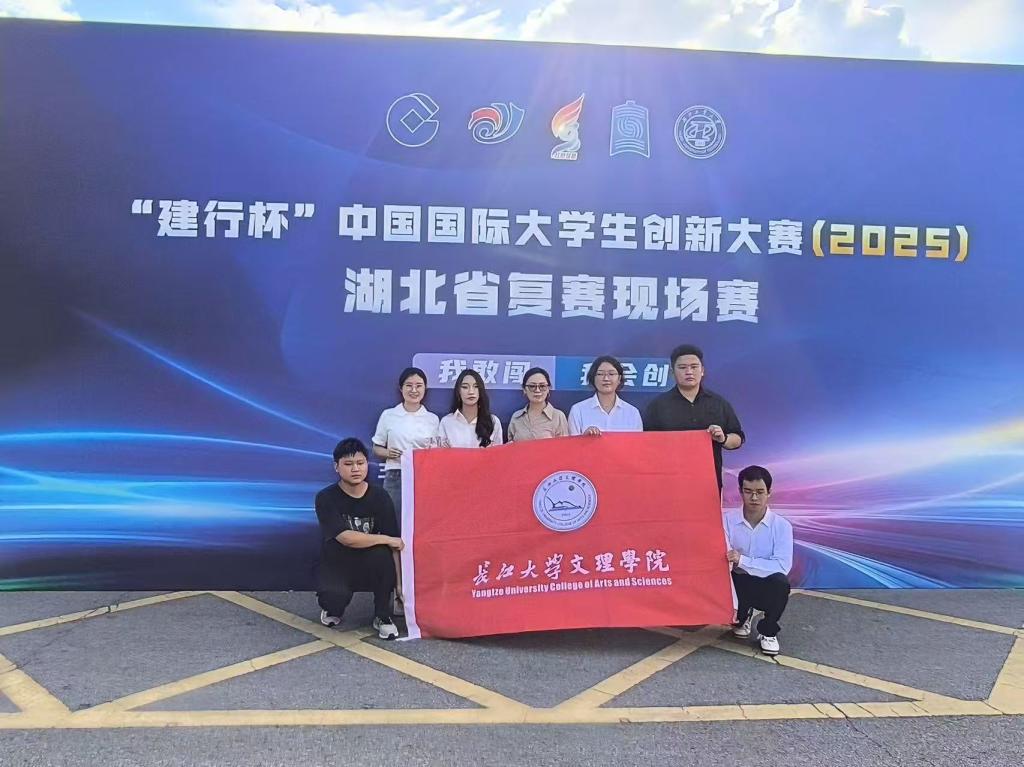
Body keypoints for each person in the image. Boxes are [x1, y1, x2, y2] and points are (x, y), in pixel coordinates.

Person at [314, 438, 403, 640]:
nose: (355, 469)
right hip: (337, 562)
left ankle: (382, 616)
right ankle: (332, 608)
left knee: (383, 556)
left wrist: (399, 584)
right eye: (348, 464)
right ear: (336, 467)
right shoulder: (326, 498)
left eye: (360, 463)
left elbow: (395, 545)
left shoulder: (380, 497)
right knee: (333, 599)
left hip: (369, 563)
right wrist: (385, 539)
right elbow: (346, 538)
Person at [643, 344, 744, 491]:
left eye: (694, 367)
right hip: (669, 483)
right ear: (672, 372)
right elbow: (646, 445)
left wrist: (723, 439)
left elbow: (738, 438)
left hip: (708, 483)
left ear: (702, 370)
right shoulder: (658, 406)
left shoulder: (718, 403)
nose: (689, 372)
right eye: (682, 367)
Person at [725, 465, 793, 656]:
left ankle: (768, 631)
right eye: (748, 491)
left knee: (780, 583)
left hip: (765, 583)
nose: (754, 498)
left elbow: (782, 566)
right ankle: (743, 615)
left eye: (760, 492)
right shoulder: (726, 520)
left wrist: (742, 560)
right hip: (736, 582)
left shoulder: (782, 526)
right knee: (723, 575)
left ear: (769, 492)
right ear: (740, 491)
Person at [371, 366, 439, 532]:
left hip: (423, 477)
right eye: (409, 385)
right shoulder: (388, 415)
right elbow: (376, 447)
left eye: (419, 386)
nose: (414, 390)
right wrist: (388, 453)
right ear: (401, 388)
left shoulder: (432, 419)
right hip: (396, 474)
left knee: (422, 525)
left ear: (425, 389)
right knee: (393, 523)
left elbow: (436, 453)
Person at [567, 355, 643, 435]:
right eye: (600, 374)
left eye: (611, 374)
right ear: (593, 378)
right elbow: (572, 442)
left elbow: (638, 442)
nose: (606, 378)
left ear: (619, 378)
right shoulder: (578, 410)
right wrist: (585, 438)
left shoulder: (632, 413)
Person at [438, 369, 504, 448]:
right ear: (458, 391)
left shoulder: (493, 422)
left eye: (476, 386)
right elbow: (441, 453)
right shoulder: (446, 422)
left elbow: (498, 453)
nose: (471, 392)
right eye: (465, 387)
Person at [507, 367, 570, 441]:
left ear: (548, 389)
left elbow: (563, 446)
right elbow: (510, 446)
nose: (537, 390)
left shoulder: (558, 416)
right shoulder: (516, 417)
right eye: (532, 386)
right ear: (524, 389)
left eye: (542, 386)